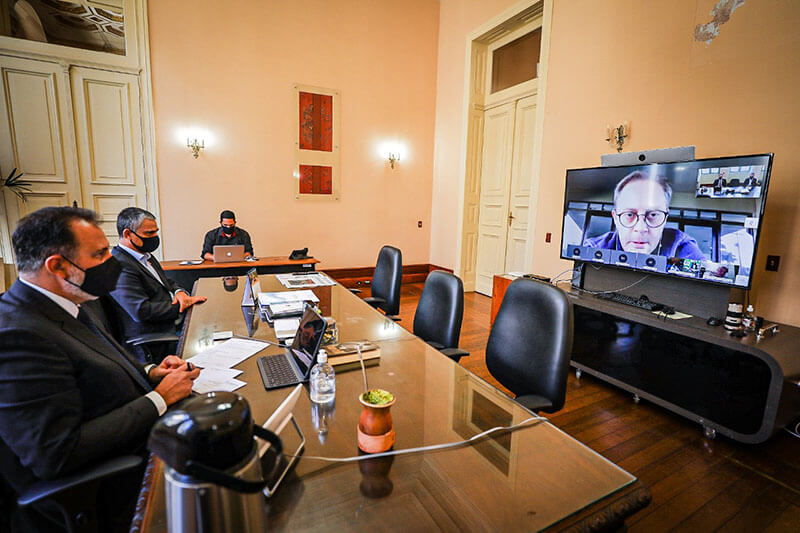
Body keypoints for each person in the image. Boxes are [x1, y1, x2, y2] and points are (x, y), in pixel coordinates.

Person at [0, 207, 200, 531]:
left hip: (140, 429)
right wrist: (160, 399)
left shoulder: (70, 300)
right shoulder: (17, 335)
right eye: (101, 253)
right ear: (58, 266)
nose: (112, 261)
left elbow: (100, 361)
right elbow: (56, 453)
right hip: (116, 480)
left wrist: (150, 371)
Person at [111, 207, 207, 363]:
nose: (155, 237)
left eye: (156, 232)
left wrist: (179, 292)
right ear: (128, 234)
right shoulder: (120, 265)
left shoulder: (145, 256)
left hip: (169, 322)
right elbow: (141, 311)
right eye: (149, 234)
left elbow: (166, 281)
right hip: (156, 335)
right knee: (209, 339)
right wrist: (182, 305)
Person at [584, 171, 705, 260]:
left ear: (665, 219)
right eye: (629, 214)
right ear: (615, 218)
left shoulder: (681, 245)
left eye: (653, 214)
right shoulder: (593, 248)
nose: (641, 229)